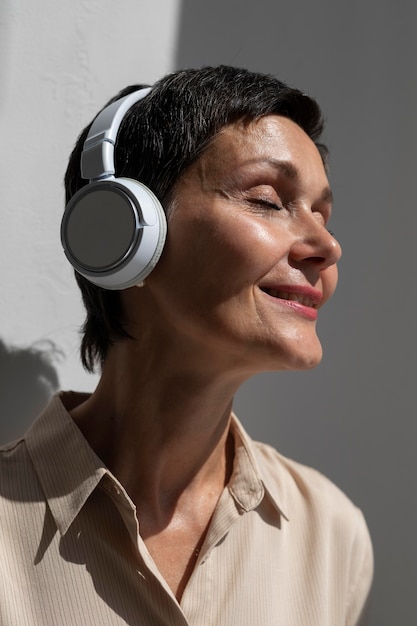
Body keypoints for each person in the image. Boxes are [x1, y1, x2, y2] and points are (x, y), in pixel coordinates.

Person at [0, 66, 373, 625]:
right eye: (269, 200)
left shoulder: (331, 534)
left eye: (322, 214)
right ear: (125, 233)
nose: (327, 246)